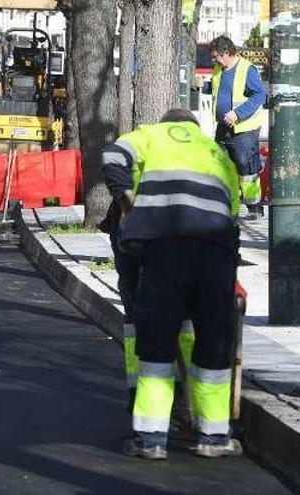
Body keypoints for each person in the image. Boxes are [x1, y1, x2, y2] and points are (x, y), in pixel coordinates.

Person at [102, 108, 243, 461]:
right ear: (194, 128)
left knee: (156, 343)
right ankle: (214, 438)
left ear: (168, 123)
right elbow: (234, 210)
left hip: (166, 250)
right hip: (215, 252)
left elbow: (112, 156)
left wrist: (127, 203)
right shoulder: (215, 151)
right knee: (213, 344)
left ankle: (150, 440)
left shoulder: (151, 135)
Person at [208, 35, 267, 218]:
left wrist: (237, 113)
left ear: (226, 53)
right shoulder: (219, 69)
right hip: (223, 127)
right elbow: (219, 92)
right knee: (219, 165)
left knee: (246, 167)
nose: (213, 59)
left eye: (215, 56)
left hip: (244, 128)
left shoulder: (246, 69)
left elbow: (259, 96)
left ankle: (254, 208)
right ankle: (224, 206)